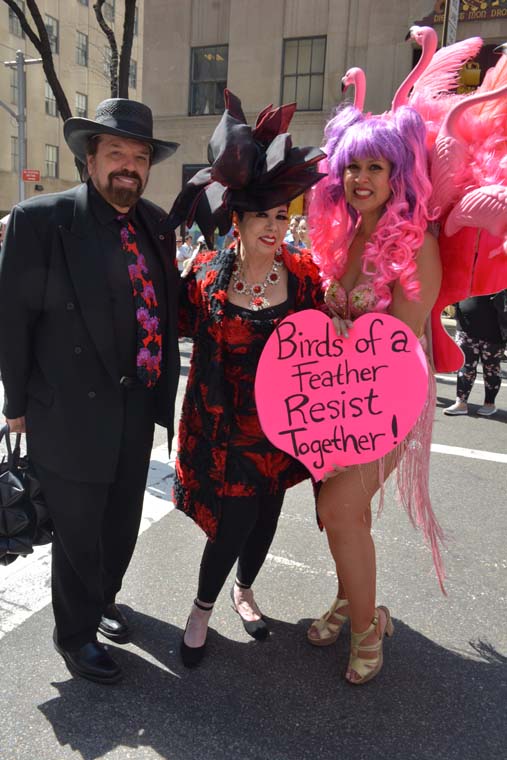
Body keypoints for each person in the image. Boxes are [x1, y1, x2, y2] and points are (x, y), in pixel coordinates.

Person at [0, 98, 180, 684]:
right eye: (116, 154)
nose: (129, 165)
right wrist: (16, 405)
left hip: (135, 405)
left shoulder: (155, 224)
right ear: (89, 159)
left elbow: (171, 311)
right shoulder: (41, 221)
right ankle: (74, 634)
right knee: (77, 529)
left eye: (139, 155)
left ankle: (102, 598)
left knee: (121, 522)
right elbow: (13, 319)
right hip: (68, 407)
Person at [168, 89, 326, 667]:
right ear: (237, 220)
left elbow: (334, 335)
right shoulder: (207, 274)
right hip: (225, 429)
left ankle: (245, 589)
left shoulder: (304, 275)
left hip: (285, 428)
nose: (274, 226)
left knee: (267, 515)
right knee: (231, 523)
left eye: (282, 216)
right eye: (262, 215)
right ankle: (203, 606)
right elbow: (174, 326)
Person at [306, 105, 444, 684]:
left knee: (339, 507)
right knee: (338, 510)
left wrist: (346, 338)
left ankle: (369, 626)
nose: (360, 179)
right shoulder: (346, 233)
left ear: (399, 175)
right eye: (352, 166)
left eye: (376, 167)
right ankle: (349, 597)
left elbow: (403, 338)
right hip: (335, 400)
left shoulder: (416, 243)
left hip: (389, 401)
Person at [444, 291, 507, 417]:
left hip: (494, 333)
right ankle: (461, 403)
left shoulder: (499, 275)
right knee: (465, 365)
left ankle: (489, 403)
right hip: (465, 329)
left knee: (491, 368)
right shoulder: (470, 274)